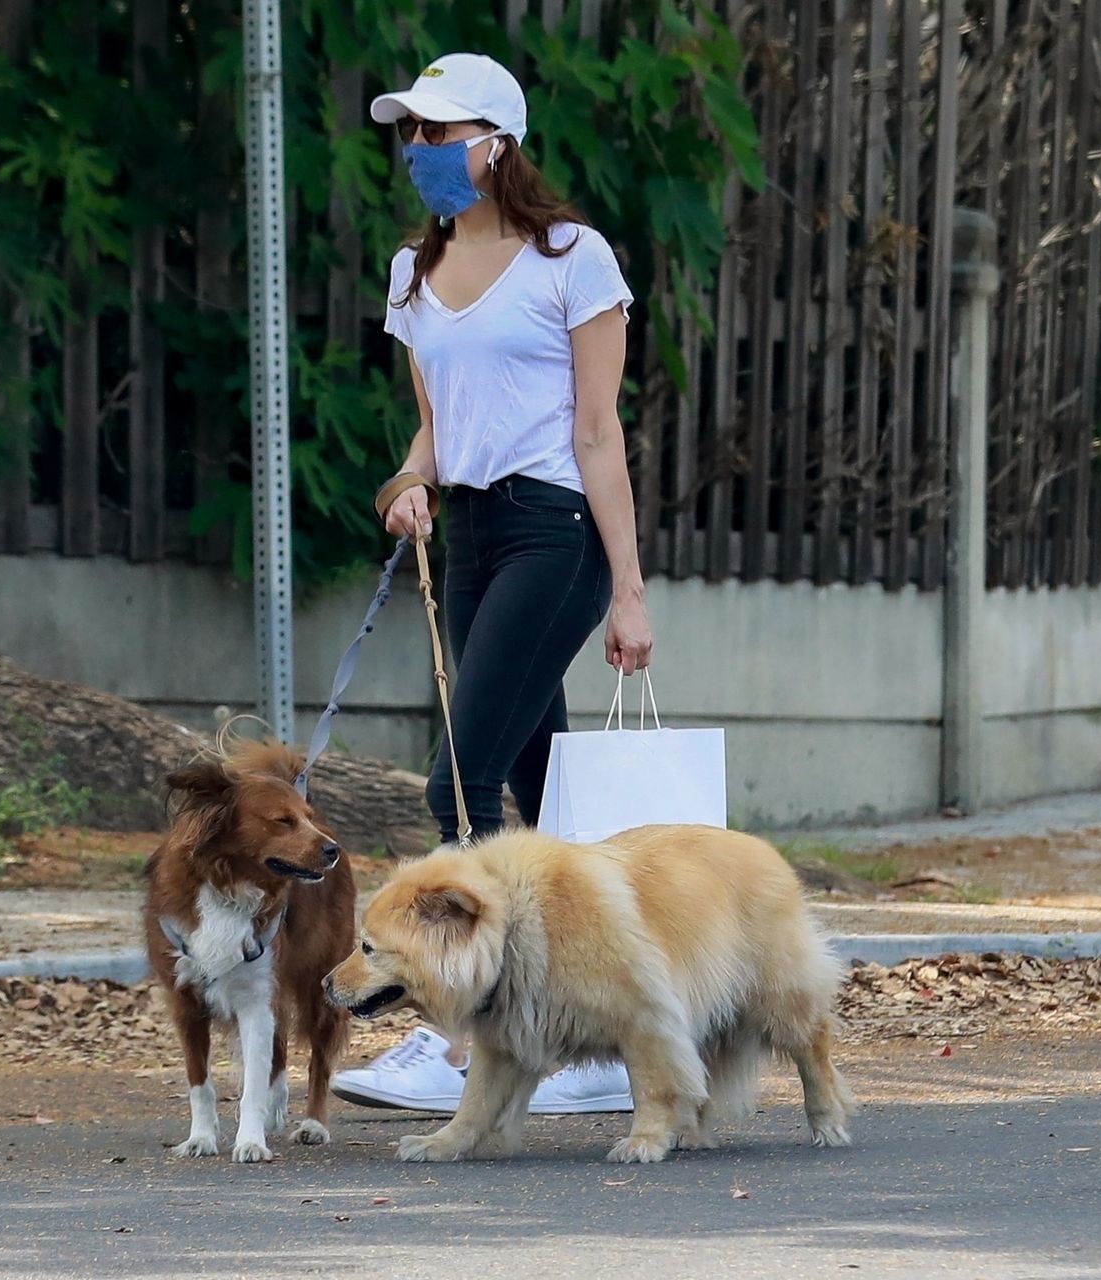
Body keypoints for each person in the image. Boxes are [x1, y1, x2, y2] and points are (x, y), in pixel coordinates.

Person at [327, 52, 653, 1117]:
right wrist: (407, 484)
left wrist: (628, 589)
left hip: (557, 534)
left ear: (496, 143)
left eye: (439, 131)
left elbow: (598, 433)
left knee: (455, 790)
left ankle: (455, 1034)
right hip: (467, 536)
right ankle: (602, 1046)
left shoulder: (572, 258)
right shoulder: (411, 273)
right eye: (410, 132)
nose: (419, 148)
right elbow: (434, 429)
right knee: (545, 792)